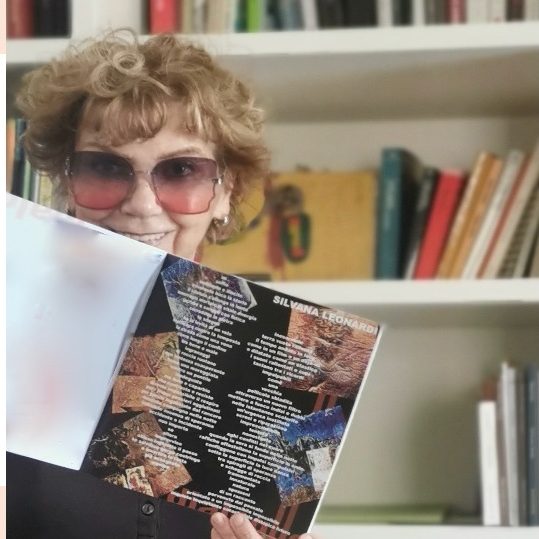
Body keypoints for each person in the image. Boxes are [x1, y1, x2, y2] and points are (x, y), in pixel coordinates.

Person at [8, 30, 318, 539]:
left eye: (181, 170)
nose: (142, 204)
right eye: (105, 166)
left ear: (226, 191)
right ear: (67, 183)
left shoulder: (292, 356)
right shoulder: (13, 329)